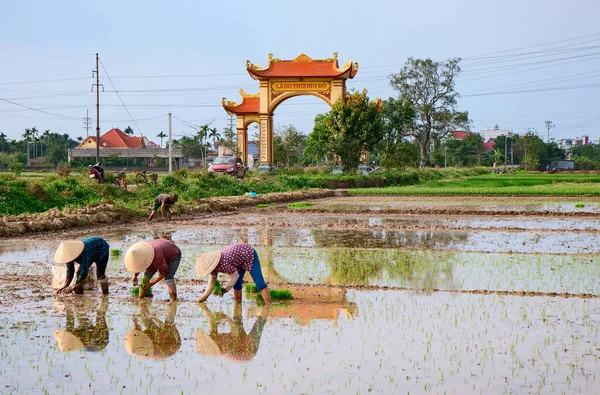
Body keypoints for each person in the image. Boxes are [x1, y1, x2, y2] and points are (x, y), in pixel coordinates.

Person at [196, 243, 270, 304]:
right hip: (238, 262)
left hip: (249, 255)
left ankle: (268, 305)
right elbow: (211, 283)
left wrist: (225, 290)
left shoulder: (223, 263)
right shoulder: (213, 268)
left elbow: (235, 276)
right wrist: (203, 298)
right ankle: (238, 307)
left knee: (260, 283)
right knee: (237, 285)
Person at [195, 303, 269, 361]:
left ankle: (263, 309)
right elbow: (235, 331)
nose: (211, 335)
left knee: (237, 320)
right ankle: (267, 307)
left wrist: (204, 307)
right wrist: (226, 317)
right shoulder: (225, 346)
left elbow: (211, 320)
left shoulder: (217, 339)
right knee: (259, 323)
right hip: (249, 350)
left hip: (240, 347)